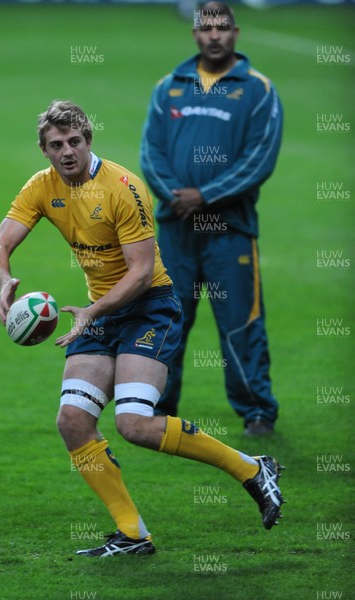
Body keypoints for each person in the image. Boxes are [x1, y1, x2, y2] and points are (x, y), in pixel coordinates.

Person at [0, 100, 285, 557]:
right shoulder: (41, 187)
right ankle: (132, 534)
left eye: (75, 141)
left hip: (150, 308)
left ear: (88, 141)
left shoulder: (124, 188)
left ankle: (251, 469)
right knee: (73, 421)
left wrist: (92, 312)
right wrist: (4, 280)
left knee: (134, 423)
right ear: (43, 150)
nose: (67, 151)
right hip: (100, 313)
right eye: (56, 145)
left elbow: (141, 273)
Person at [140, 2, 283, 436]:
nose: (215, 35)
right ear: (195, 35)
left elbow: (260, 157)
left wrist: (206, 195)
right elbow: (151, 152)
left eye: (223, 28)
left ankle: (256, 410)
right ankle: (157, 406)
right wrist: (174, 196)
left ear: (236, 33)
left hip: (230, 232)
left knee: (241, 321)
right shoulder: (170, 86)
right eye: (207, 28)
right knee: (167, 319)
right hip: (176, 230)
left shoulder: (257, 89)